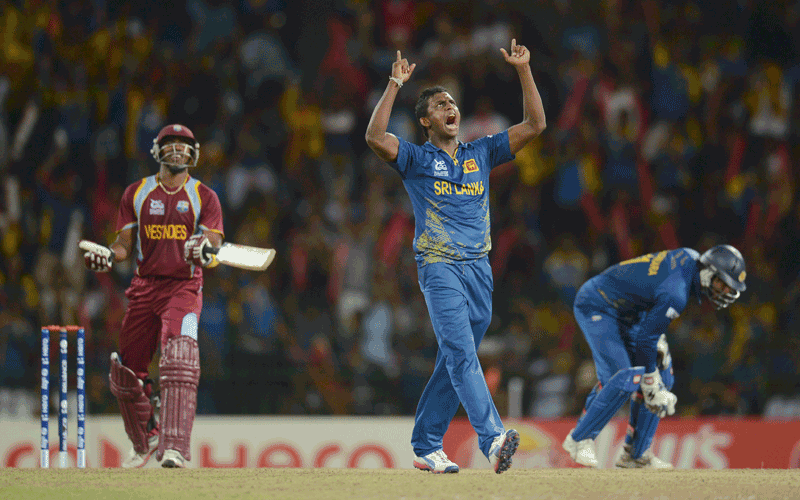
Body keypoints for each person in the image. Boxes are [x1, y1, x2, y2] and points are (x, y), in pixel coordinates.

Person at [365, 40, 546, 474]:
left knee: (453, 357)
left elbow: (535, 124)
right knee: (463, 353)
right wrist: (394, 84)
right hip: (439, 264)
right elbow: (374, 137)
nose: (451, 108)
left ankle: (427, 444)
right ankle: (493, 438)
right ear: (426, 120)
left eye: (453, 103)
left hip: (479, 270)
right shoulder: (415, 158)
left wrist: (523, 70)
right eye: (441, 104)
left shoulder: (480, 151)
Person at [81, 124, 224, 468]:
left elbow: (215, 242)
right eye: (171, 144)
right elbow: (123, 246)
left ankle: (175, 447)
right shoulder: (137, 192)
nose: (177, 150)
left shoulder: (204, 196)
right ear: (157, 150)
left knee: (180, 355)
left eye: (184, 145)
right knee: (126, 370)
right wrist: (107, 255)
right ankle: (145, 438)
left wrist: (204, 246)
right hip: (144, 288)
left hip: (185, 289)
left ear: (194, 152)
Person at [562, 245, 747, 469]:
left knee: (664, 379)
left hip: (628, 312)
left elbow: (649, 292)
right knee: (623, 377)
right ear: (708, 271)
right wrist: (650, 379)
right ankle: (579, 439)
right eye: (722, 283)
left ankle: (636, 455)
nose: (724, 291)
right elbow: (646, 338)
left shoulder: (690, 257)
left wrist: (655, 367)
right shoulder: (676, 293)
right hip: (599, 304)